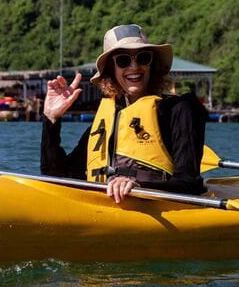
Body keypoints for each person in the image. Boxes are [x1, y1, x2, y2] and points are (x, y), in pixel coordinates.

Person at [41, 24, 208, 204]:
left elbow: (189, 183)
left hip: (158, 208)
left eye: (143, 58)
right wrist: (51, 119)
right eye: (123, 60)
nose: (134, 67)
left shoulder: (180, 109)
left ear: (152, 64)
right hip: (104, 207)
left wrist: (138, 187)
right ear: (111, 69)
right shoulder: (109, 118)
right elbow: (57, 175)